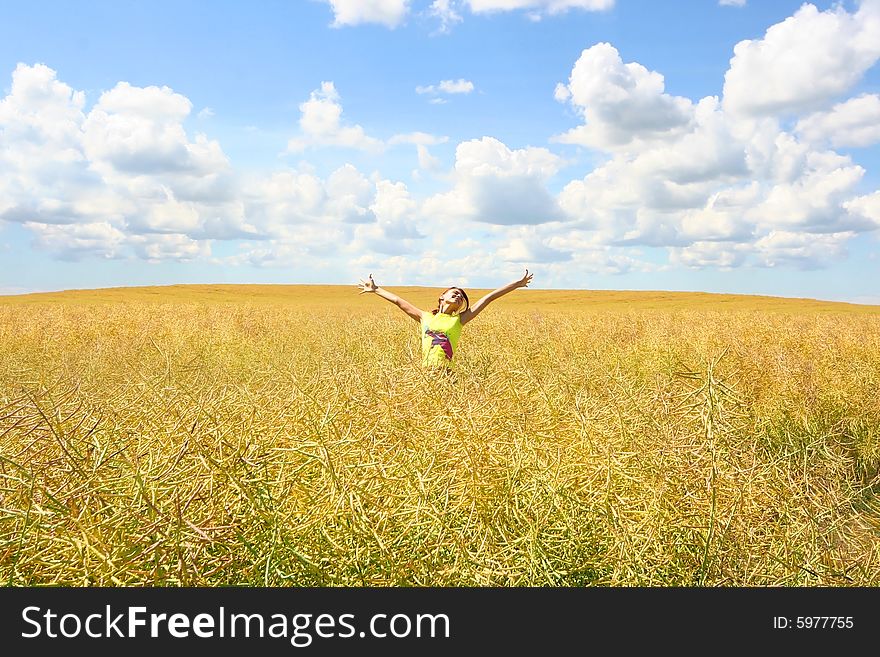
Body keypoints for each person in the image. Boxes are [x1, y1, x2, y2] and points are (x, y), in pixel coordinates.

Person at [356, 269, 534, 369]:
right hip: (426, 373)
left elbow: (489, 298)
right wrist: (375, 289)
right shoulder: (425, 317)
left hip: (447, 374)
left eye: (461, 298)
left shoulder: (459, 320)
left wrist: (516, 285)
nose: (458, 297)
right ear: (442, 297)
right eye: (455, 293)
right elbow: (398, 301)